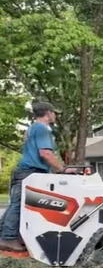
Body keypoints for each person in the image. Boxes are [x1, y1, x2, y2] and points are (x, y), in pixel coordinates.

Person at [0, 101, 65, 252]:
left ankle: (5, 235)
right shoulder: (42, 129)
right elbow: (45, 154)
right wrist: (62, 169)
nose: (55, 116)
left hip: (24, 170)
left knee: (16, 204)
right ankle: (8, 238)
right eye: (54, 113)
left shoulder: (31, 129)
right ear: (48, 113)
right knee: (20, 205)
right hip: (31, 172)